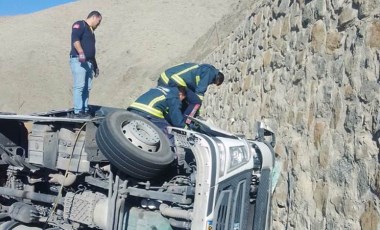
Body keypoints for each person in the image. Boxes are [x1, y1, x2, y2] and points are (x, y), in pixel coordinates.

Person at [157, 63, 224, 121]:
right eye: (214, 82)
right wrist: (197, 111)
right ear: (217, 78)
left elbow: (193, 89)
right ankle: (183, 122)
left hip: (167, 78)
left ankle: (169, 119)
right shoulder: (210, 72)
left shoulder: (203, 69)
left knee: (177, 103)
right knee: (193, 101)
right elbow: (200, 92)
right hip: (172, 80)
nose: (211, 83)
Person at [69, 11, 102, 118]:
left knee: (87, 87)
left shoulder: (91, 31)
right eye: (99, 21)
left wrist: (95, 66)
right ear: (94, 17)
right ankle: (78, 111)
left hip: (89, 62)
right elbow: (75, 39)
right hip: (79, 60)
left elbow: (91, 51)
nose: (99, 24)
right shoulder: (80, 24)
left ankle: (85, 109)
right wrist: (81, 53)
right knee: (79, 86)